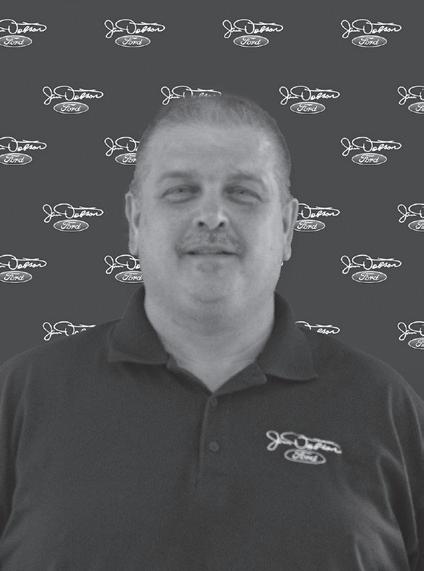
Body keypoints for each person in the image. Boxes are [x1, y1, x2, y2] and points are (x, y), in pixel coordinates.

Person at [0, 93, 423, 570]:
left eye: (242, 193)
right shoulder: (22, 395)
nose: (212, 215)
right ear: (136, 221)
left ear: (287, 227)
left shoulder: (385, 406)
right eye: (181, 191)